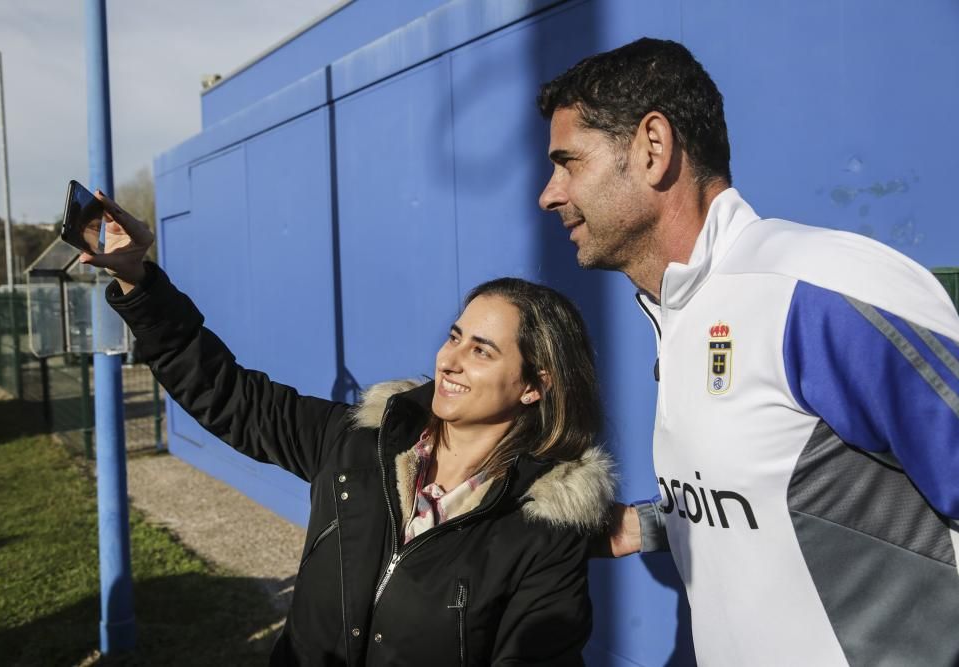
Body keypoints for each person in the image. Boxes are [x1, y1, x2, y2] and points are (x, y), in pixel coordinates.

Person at [537, 37, 959, 666]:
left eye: (569, 162)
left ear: (653, 149)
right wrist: (650, 525)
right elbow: (794, 487)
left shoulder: (815, 289)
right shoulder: (677, 310)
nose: (550, 193)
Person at [82, 192, 615, 666]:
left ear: (534, 386)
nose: (450, 360)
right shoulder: (361, 440)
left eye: (482, 351)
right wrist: (137, 278)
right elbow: (228, 396)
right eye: (455, 337)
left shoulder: (541, 527)